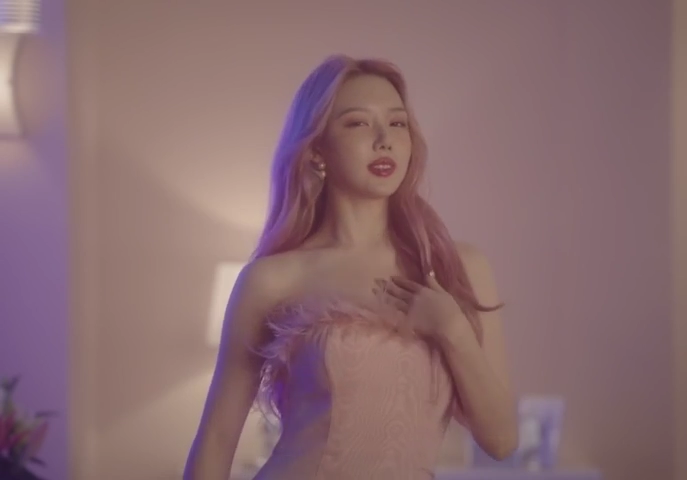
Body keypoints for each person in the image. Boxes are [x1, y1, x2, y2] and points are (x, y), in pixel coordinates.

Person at [184, 54, 518, 480]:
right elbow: (216, 439)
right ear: (316, 149)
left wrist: (452, 329)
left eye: (397, 123)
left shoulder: (460, 268)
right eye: (358, 123)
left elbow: (502, 442)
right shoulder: (272, 280)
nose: (384, 140)